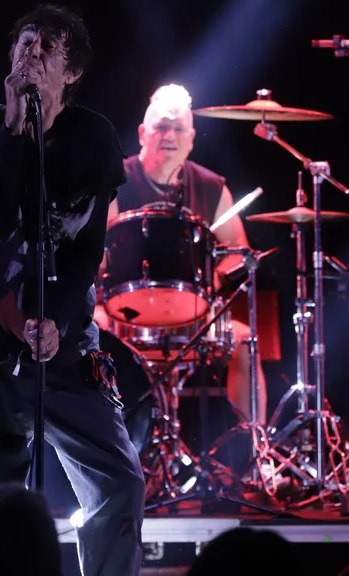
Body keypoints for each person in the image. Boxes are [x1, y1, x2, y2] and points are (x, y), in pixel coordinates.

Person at [0, 4, 145, 576]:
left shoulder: (94, 137)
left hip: (67, 345)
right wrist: (13, 128)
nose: (31, 53)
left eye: (47, 47)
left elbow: (88, 246)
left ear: (71, 71)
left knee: (121, 482)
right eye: (24, 42)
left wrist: (53, 318)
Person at [94, 84, 267, 423]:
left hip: (192, 317)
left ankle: (252, 444)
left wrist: (215, 276)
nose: (169, 136)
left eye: (178, 129)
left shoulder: (212, 187)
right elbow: (94, 252)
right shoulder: (116, 180)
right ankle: (105, 439)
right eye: (161, 127)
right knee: (89, 335)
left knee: (246, 342)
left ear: (191, 139)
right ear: (142, 134)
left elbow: (238, 251)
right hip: (122, 315)